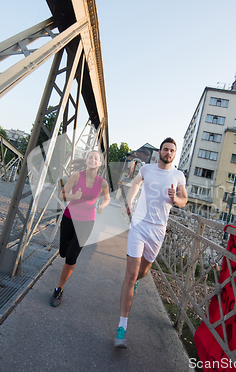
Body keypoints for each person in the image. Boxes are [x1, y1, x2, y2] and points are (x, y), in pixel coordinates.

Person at [114, 137, 187, 348]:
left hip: (158, 230)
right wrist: (129, 201)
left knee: (142, 273)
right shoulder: (147, 169)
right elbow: (136, 183)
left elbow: (184, 200)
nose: (168, 153)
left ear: (175, 154)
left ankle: (137, 280)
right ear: (160, 152)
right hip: (139, 225)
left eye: (172, 150)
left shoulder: (178, 175)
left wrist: (176, 199)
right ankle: (122, 328)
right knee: (130, 274)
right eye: (165, 149)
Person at [50, 150, 110, 307]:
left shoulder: (102, 183)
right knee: (63, 252)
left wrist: (102, 206)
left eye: (96, 158)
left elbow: (107, 198)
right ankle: (66, 255)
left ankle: (59, 289)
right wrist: (74, 197)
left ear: (100, 163)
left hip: (87, 222)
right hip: (69, 218)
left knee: (71, 257)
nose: (92, 160)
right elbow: (63, 194)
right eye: (90, 157)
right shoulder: (77, 176)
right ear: (87, 161)